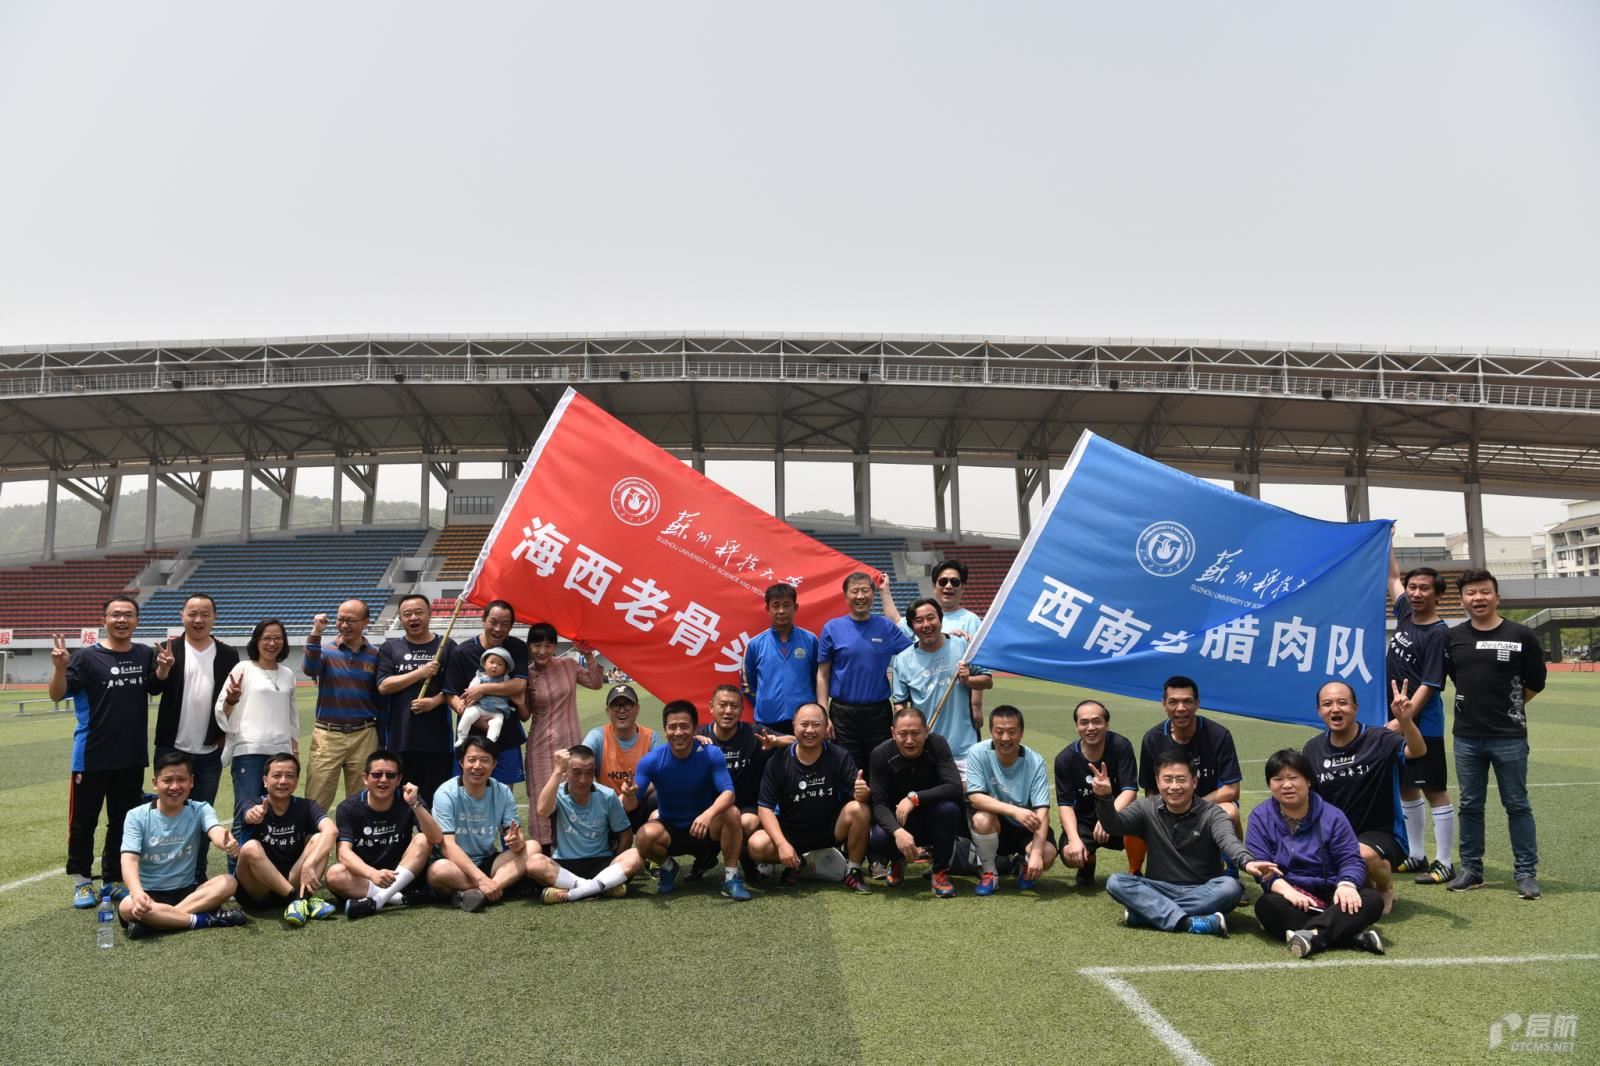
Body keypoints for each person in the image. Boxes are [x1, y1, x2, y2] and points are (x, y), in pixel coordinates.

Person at [50, 596, 174, 908]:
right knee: (83, 823)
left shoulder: (144, 653)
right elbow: (57, 694)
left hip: (131, 756)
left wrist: (163, 669)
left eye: (128, 615)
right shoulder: (86, 657)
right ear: (104, 619)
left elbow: (154, 687)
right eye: (115, 614)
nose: (122, 620)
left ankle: (113, 879)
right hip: (91, 757)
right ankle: (82, 881)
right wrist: (60, 669)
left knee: (122, 822)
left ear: (137, 621)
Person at [1443, 568, 1548, 898]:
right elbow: (1454, 677)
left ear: (1497, 597)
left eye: (1485, 591)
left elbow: (1536, 681)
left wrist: (1508, 706)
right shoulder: (1453, 638)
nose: (1479, 598)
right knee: (1470, 805)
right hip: (1466, 737)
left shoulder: (1521, 635)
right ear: (1462, 600)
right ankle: (1471, 870)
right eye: (1471, 592)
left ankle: (1526, 873)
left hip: (1509, 736)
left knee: (1517, 804)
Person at [1093, 750, 1276, 936]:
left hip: (1204, 889)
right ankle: (1188, 922)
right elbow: (1114, 826)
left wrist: (1246, 861)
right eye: (1168, 779)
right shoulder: (1146, 807)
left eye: (1181, 779)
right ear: (1157, 781)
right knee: (1116, 882)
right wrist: (1105, 797)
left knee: (1230, 888)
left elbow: (1228, 840)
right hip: (1159, 888)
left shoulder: (1212, 813)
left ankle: (1148, 915)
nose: (1174, 786)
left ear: (1194, 782)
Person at [1246, 749, 1388, 958]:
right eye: (1278, 779)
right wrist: (1288, 891)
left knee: (1372, 900)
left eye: (1293, 778)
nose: (1286, 785)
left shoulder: (1333, 816)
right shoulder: (1260, 817)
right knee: (1266, 906)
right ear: (1269, 784)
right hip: (1291, 897)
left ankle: (1312, 935)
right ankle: (1351, 936)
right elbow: (1262, 867)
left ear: (1308, 781)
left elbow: (1350, 859)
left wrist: (1346, 885)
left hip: (1332, 894)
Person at [1303, 680, 1426, 912]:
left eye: (1342, 703)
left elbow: (1417, 751)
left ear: (1355, 708)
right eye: (1327, 704)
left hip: (1382, 834)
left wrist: (1405, 721)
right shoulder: (1312, 749)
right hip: (1336, 834)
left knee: (1361, 854)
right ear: (1319, 711)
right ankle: (1365, 882)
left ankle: (1385, 886)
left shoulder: (1379, 739)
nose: (1335, 709)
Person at [627, 700, 753, 901]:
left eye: (684, 726)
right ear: (665, 730)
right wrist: (628, 794)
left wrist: (708, 814)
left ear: (695, 729)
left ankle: (730, 879)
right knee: (643, 837)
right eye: (672, 727)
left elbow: (728, 793)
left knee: (732, 813)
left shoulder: (711, 754)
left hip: (704, 828)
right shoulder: (651, 761)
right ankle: (668, 867)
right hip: (671, 830)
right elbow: (631, 804)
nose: (678, 732)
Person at [151, 592, 238, 883]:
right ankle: (163, 874)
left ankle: (197, 875)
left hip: (209, 751)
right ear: (182, 616)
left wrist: (223, 733)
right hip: (171, 748)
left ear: (214, 618)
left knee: (202, 816)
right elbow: (153, 687)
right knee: (168, 814)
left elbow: (232, 699)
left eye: (205, 614)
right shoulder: (169, 649)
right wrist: (163, 669)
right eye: (192, 614)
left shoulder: (228, 654)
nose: (198, 619)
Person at [116, 750, 247, 938]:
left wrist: (225, 842)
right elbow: (129, 860)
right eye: (168, 780)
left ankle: (159, 922)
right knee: (127, 906)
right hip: (149, 895)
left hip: (188, 892)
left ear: (191, 781)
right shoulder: (136, 816)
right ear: (155, 783)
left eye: (181, 780)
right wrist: (137, 893)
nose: (175, 786)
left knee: (229, 883)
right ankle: (203, 920)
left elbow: (215, 829)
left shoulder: (200, 809)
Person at [1386, 557, 1457, 886]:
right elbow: (1393, 577)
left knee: (1434, 789)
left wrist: (1403, 720)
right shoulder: (1405, 612)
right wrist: (1387, 538)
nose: (1415, 593)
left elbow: (1429, 685)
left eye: (1424, 588)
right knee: (1406, 786)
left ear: (1438, 595)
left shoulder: (1439, 633)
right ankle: (1416, 854)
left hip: (1422, 725)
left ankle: (1445, 861)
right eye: (1412, 587)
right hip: (1396, 717)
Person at [749, 702, 872, 892]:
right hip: (792, 832)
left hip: (830, 830)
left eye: (816, 725)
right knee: (756, 844)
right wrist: (782, 845)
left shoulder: (839, 755)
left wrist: (863, 793)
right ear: (794, 726)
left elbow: (859, 794)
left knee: (860, 809)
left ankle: (853, 871)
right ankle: (798, 863)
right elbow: (765, 808)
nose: (810, 730)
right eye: (804, 724)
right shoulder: (777, 762)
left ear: (826, 727)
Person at [1131, 676, 1243, 878]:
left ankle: (1232, 872)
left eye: (1187, 701)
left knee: (1230, 812)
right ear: (1164, 704)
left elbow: (1232, 790)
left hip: (1207, 806)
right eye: (1173, 702)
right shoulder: (1153, 738)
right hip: (1169, 805)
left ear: (1197, 704)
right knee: (1136, 814)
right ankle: (1136, 872)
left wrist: (1193, 807)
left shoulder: (1218, 735)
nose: (1181, 708)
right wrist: (1165, 811)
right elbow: (1150, 790)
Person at [325, 749, 445, 920]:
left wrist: (415, 804)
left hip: (402, 875)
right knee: (334, 874)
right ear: (365, 778)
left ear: (399, 779)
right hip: (366, 878)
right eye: (377, 774)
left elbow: (436, 838)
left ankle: (378, 900)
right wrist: (372, 874)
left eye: (390, 775)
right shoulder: (348, 807)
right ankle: (400, 899)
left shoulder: (409, 799)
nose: (383, 780)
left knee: (423, 839)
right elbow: (344, 853)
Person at [816, 571, 911, 780]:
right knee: (848, 770)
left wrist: (947, 636)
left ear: (873, 594)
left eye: (865, 590)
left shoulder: (886, 627)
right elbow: (822, 674)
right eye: (855, 591)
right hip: (843, 714)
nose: (860, 596)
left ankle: (879, 802)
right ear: (846, 597)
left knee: (880, 768)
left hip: (878, 713)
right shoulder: (832, 628)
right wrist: (823, 713)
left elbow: (916, 652)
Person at [216, 619, 299, 853]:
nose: (272, 643)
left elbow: (292, 717)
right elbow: (222, 709)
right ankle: (237, 871)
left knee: (275, 814)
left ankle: (265, 867)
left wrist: (295, 752)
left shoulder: (287, 674)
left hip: (281, 754)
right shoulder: (242, 669)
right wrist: (232, 699)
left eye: (277, 638)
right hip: (249, 752)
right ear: (257, 641)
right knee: (246, 814)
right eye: (266, 638)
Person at [867, 706, 966, 897]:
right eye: (903, 734)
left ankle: (940, 871)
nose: (910, 740)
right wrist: (897, 832)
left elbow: (954, 787)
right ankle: (898, 860)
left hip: (932, 819)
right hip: (901, 822)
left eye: (915, 733)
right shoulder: (880, 754)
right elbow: (878, 803)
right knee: (878, 836)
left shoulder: (937, 744)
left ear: (926, 731)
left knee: (950, 809)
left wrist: (915, 798)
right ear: (893, 733)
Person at [524, 621, 606, 850]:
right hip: (540, 746)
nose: (542, 651)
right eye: (537, 645)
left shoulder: (568, 665)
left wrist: (588, 655)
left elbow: (596, 683)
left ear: (554, 646)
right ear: (529, 646)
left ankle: (576, 845)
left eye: (548, 645)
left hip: (570, 741)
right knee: (542, 795)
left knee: (574, 790)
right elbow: (524, 713)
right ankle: (544, 849)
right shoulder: (527, 674)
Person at [426, 736, 532, 912]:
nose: (477, 766)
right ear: (461, 762)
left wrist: (517, 841)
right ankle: (491, 888)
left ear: (494, 764)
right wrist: (481, 879)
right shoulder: (446, 793)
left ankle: (479, 894)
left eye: (484, 760)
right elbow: (447, 845)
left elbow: (515, 834)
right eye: (472, 759)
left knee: (532, 847)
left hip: (487, 860)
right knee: (438, 871)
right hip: (455, 864)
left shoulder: (503, 791)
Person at [233, 752, 339, 925]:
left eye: (289, 776)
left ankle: (300, 900)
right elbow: (248, 814)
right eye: (277, 776)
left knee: (321, 837)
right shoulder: (252, 804)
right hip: (258, 890)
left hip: (292, 878)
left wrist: (310, 863)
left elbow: (331, 830)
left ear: (296, 781)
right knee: (251, 847)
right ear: (265, 781)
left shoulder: (307, 806)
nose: (283, 781)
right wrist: (253, 815)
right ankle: (297, 899)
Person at [696, 683, 790, 877]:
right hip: (711, 810)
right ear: (711, 707)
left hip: (748, 807)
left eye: (734, 706)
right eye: (723, 705)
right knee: (722, 818)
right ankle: (708, 855)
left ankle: (744, 861)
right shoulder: (699, 736)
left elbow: (796, 740)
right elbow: (672, 746)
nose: (728, 711)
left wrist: (776, 741)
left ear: (741, 709)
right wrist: (691, 742)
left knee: (746, 822)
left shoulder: (754, 733)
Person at [376, 594, 457, 810]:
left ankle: (431, 834)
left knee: (435, 803)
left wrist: (434, 702)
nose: (413, 617)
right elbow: (384, 685)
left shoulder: (446, 646)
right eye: (407, 614)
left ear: (430, 614)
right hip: (401, 740)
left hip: (437, 742)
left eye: (419, 612)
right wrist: (421, 672)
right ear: (400, 618)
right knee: (401, 805)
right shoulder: (390, 648)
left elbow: (454, 688)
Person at [534, 745, 644, 903]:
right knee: (534, 863)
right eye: (576, 772)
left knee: (636, 855)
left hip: (601, 862)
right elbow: (542, 811)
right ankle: (601, 887)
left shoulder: (607, 795)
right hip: (565, 865)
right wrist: (557, 770)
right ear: (566, 771)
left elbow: (625, 834)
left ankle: (572, 893)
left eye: (589, 773)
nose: (583, 780)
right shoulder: (556, 793)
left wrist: (614, 866)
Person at [966, 705, 1056, 894]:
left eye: (1012, 732)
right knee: (981, 819)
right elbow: (975, 798)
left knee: (1047, 854)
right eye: (999, 732)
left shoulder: (1035, 761)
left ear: (1021, 733)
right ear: (991, 732)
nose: (1005, 738)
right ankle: (990, 874)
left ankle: (1024, 864)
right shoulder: (977, 752)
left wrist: (1036, 853)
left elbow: (1042, 811)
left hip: (1026, 827)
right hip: (997, 825)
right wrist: (1014, 810)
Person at [303, 600, 382, 812]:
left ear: (365, 622)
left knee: (362, 801)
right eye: (340, 619)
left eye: (351, 620)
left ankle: (356, 836)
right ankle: (313, 836)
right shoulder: (325, 650)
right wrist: (316, 632)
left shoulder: (375, 655)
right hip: (327, 735)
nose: (344, 625)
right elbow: (310, 669)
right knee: (316, 799)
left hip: (364, 734)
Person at [442, 600, 530, 789]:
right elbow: (451, 694)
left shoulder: (517, 647)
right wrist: (471, 716)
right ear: (483, 620)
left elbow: (519, 685)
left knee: (503, 794)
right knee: (468, 794)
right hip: (470, 739)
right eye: (493, 622)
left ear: (511, 626)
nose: (498, 629)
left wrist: (482, 689)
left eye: (505, 624)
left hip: (506, 736)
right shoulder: (462, 652)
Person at [891, 597, 992, 761]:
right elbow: (899, 704)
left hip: (964, 749)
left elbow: (987, 680)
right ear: (912, 626)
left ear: (940, 619)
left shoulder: (962, 646)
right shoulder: (903, 660)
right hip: (926, 750)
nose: (926, 624)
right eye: (919, 621)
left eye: (931, 618)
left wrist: (969, 680)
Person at [1055, 699, 1138, 887]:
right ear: (1077, 726)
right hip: (1085, 821)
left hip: (1119, 816)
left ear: (1106, 724)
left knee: (1145, 829)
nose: (1090, 727)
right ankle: (1088, 861)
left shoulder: (1121, 746)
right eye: (1084, 722)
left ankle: (1136, 870)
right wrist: (1074, 840)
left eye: (1097, 721)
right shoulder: (1065, 759)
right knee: (1069, 854)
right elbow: (1065, 805)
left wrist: (1108, 817)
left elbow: (1130, 790)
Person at [741, 582, 820, 735]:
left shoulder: (810, 640)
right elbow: (747, 685)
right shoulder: (755, 644)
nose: (781, 611)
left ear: (795, 607)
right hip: (767, 722)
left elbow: (819, 679)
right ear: (767, 609)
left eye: (786, 605)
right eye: (776, 606)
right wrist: (764, 702)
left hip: (804, 723)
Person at [582, 683, 663, 831]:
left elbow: (659, 777)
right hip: (607, 806)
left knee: (659, 797)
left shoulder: (651, 737)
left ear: (637, 709)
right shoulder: (597, 736)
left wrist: (631, 794)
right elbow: (581, 761)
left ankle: (654, 841)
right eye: (616, 705)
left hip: (639, 802)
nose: (621, 710)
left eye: (627, 705)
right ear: (608, 711)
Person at [455, 647, 516, 744]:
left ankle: (490, 743)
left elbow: (512, 689)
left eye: (500, 664)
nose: (495, 666)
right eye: (491, 662)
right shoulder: (479, 677)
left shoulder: (506, 679)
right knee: (468, 715)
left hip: (498, 711)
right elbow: (470, 691)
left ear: (506, 669)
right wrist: (463, 702)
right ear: (484, 664)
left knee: (497, 723)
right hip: (480, 707)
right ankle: (462, 737)